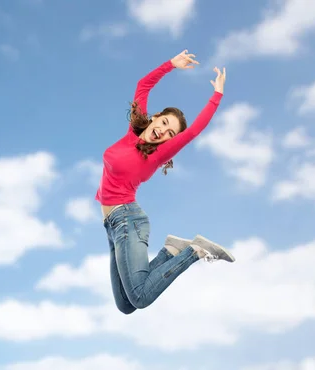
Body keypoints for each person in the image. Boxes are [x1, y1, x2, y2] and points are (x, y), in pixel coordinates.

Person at [95, 49, 236, 315]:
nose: (163, 131)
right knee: (126, 305)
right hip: (111, 226)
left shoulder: (156, 156)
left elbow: (194, 130)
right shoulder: (132, 134)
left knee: (140, 297)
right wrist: (171, 64)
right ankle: (171, 250)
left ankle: (194, 251)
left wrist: (217, 95)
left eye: (170, 133)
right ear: (154, 117)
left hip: (128, 221)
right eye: (164, 123)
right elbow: (143, 85)